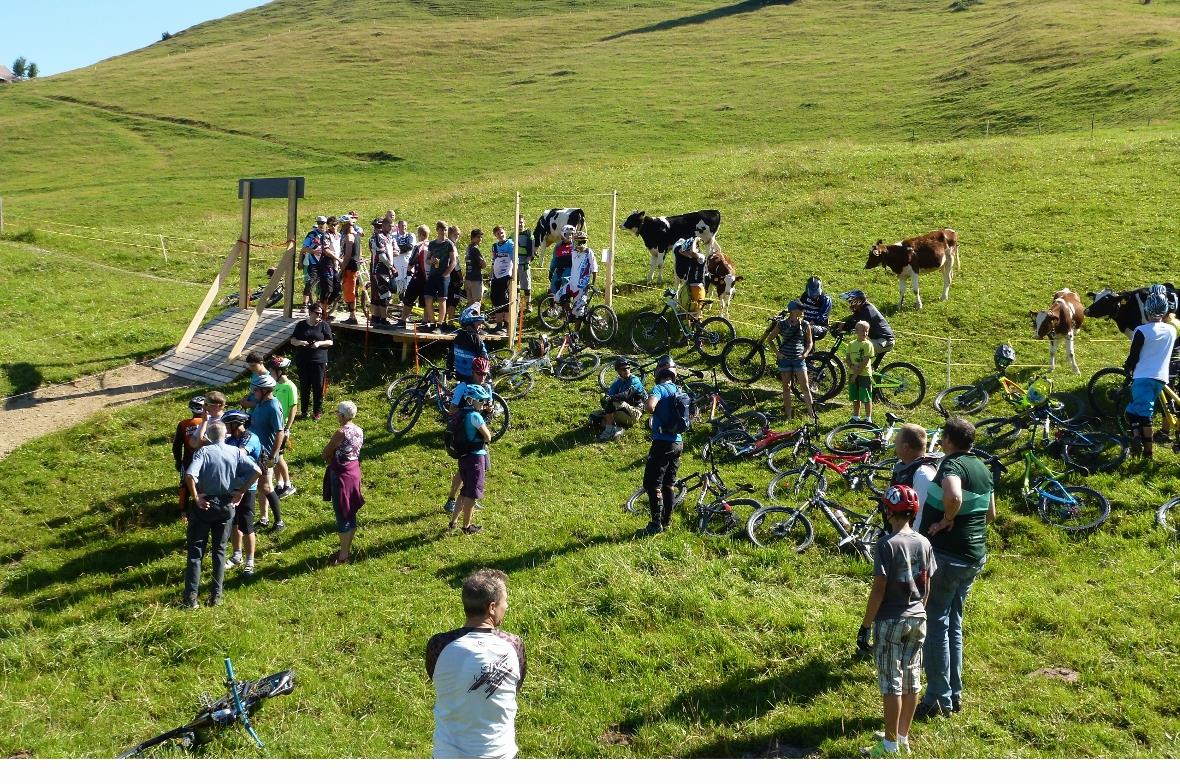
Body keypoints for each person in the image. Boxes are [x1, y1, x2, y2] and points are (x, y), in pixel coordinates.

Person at [914, 416, 996, 719]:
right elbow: (991, 515)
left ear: (948, 439)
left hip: (947, 557)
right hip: (973, 556)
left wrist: (948, 519)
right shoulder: (983, 468)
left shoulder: (952, 465)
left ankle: (937, 699)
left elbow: (953, 495)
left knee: (936, 625)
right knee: (953, 624)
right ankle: (953, 693)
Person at [858, 484, 935, 758]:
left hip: (891, 620)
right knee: (912, 678)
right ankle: (903, 738)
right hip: (918, 618)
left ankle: (889, 746)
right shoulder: (924, 542)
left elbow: (879, 588)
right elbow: (927, 583)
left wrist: (865, 625)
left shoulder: (886, 544)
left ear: (889, 511)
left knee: (891, 681)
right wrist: (919, 610)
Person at [425, 568, 525, 759]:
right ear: (492, 607)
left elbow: (437, 679)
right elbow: (515, 687)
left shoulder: (438, 645)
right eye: (505, 601)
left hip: (447, 756)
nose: (507, 606)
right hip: (500, 757)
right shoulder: (513, 645)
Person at [181, 421, 262, 608]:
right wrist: (241, 491)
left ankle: (191, 599)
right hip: (226, 505)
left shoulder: (203, 452)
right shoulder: (235, 451)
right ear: (225, 435)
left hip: (205, 504)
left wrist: (196, 497)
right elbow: (257, 470)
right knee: (219, 551)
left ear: (208, 436)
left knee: (196, 552)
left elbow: (189, 475)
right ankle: (216, 596)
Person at [1124, 290, 1175, 459]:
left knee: (1141, 414)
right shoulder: (1171, 331)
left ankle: (1147, 452)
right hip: (1161, 379)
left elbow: (1134, 355)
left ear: (1147, 310)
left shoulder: (1141, 330)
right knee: (1136, 411)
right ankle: (1138, 440)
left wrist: (1127, 368)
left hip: (1143, 376)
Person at [640, 355, 686, 536]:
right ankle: (667, 522)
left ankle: (655, 523)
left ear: (658, 373)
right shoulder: (680, 390)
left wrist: (650, 405)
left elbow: (650, 407)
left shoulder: (659, 388)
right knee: (669, 484)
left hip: (662, 442)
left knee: (652, 484)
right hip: (678, 442)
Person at [444, 355, 494, 514]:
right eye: (480, 374)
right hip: (464, 433)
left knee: (479, 467)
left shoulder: (486, 387)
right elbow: (452, 410)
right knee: (464, 469)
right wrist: (470, 412)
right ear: (472, 371)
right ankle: (451, 499)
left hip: (479, 430)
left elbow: (489, 406)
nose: (483, 377)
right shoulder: (463, 387)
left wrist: (488, 410)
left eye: (485, 374)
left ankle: (470, 498)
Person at [322, 400, 365, 565]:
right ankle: (346, 548)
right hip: (354, 472)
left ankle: (343, 556)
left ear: (342, 415)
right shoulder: (359, 430)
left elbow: (326, 452)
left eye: (337, 413)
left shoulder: (341, 432)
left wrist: (329, 456)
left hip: (341, 474)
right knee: (351, 510)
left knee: (341, 513)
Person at [448, 384, 493, 535]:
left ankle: (453, 522)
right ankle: (467, 527)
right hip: (476, 458)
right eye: (480, 401)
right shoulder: (475, 416)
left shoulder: (459, 414)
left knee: (463, 491)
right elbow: (488, 437)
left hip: (463, 457)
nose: (482, 404)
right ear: (471, 400)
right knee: (472, 495)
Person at [223, 410, 261, 577]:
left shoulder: (250, 437)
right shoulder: (231, 439)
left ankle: (250, 561)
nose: (225, 428)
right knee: (233, 523)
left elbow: (241, 454)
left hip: (247, 488)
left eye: (227, 424)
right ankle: (237, 555)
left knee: (247, 526)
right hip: (232, 488)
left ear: (235, 424)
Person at [248, 375, 287, 533]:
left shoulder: (272, 406)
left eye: (256, 389)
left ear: (264, 391)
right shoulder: (260, 403)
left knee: (266, 486)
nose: (253, 392)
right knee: (261, 487)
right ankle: (264, 519)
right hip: (257, 450)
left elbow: (280, 432)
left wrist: (272, 456)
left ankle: (279, 522)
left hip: (266, 453)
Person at [767, 300, 814, 420]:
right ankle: (788, 415)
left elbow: (809, 342)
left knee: (805, 386)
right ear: (793, 310)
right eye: (800, 309)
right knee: (786, 387)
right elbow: (770, 339)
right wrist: (778, 353)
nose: (802, 311)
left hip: (799, 359)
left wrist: (805, 354)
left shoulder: (805, 324)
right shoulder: (782, 324)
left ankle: (811, 414)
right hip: (785, 359)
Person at [290, 303, 333, 421]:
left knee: (318, 387)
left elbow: (330, 342)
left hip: (319, 361)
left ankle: (317, 411)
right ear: (310, 312)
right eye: (317, 313)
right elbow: (292, 340)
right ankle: (304, 411)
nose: (319, 315)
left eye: (321, 313)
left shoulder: (324, 325)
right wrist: (300, 342)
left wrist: (319, 343)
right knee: (304, 386)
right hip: (303, 360)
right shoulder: (301, 325)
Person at [172, 396, 205, 525]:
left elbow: (177, 445)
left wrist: (177, 460)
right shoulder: (210, 422)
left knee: (184, 485)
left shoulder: (183, 424)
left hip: (188, 461)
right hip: (205, 460)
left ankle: (183, 513)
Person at [594, 358, 645, 441]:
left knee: (613, 401)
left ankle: (608, 431)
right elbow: (609, 395)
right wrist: (607, 398)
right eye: (623, 369)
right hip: (622, 410)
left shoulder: (635, 380)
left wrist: (610, 399)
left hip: (635, 412)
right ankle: (618, 429)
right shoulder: (617, 382)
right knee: (594, 417)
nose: (627, 370)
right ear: (618, 371)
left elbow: (626, 394)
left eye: (628, 368)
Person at [270, 355, 299, 498]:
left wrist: (288, 428)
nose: (270, 373)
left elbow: (293, 408)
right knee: (273, 455)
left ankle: (288, 484)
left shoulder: (290, 386)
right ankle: (279, 483)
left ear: (279, 371)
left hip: (282, 427)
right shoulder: (274, 385)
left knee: (278, 456)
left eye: (272, 371)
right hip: (272, 426)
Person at [838, 290, 895, 363]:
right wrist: (839, 323)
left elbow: (855, 323)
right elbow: (852, 319)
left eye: (852, 302)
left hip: (883, 341)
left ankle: (859, 373)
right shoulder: (863, 308)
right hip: (879, 340)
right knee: (861, 354)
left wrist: (843, 328)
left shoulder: (867, 311)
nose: (851, 305)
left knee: (858, 352)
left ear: (858, 301)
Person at [891, 423, 938, 509]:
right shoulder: (903, 466)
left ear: (905, 447)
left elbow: (922, 513)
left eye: (896, 441)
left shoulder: (923, 474)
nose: (894, 443)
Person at [423, 221, 456, 333]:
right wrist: (431, 260)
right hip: (433, 274)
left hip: (443, 275)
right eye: (441, 229)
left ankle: (440, 324)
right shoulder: (432, 244)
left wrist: (446, 273)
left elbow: (453, 261)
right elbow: (427, 259)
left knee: (442, 299)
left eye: (445, 229)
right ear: (437, 230)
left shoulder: (449, 244)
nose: (443, 231)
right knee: (428, 297)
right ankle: (432, 322)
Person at [561, 230, 597, 329]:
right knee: (560, 297)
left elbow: (594, 268)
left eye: (583, 242)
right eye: (578, 242)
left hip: (582, 286)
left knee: (579, 312)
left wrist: (593, 283)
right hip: (572, 283)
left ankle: (576, 333)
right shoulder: (573, 252)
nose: (581, 244)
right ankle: (570, 314)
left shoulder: (589, 252)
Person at [398, 224, 431, 328]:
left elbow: (413, 259)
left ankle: (402, 321)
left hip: (418, 276)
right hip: (428, 278)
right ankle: (425, 322)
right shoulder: (431, 245)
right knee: (425, 301)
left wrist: (408, 269)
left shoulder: (419, 245)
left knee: (408, 298)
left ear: (420, 234)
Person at [845, 320, 875, 423]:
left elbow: (865, 362)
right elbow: (847, 358)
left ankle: (868, 418)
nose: (865, 333)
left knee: (866, 397)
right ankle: (855, 416)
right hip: (853, 373)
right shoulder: (851, 344)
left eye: (867, 331)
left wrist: (855, 374)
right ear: (856, 331)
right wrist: (852, 367)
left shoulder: (868, 345)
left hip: (864, 374)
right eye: (862, 330)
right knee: (855, 396)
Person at [369, 217, 396, 327]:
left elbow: (396, 250)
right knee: (384, 294)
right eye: (389, 226)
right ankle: (383, 319)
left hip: (386, 269)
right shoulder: (378, 237)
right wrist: (391, 267)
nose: (391, 228)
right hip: (380, 269)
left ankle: (376, 318)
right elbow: (382, 256)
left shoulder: (389, 237)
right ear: (384, 226)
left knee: (380, 294)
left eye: (392, 226)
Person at [489, 225, 515, 333]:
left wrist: (513, 276)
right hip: (496, 275)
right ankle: (498, 324)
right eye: (498, 233)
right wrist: (491, 275)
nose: (501, 235)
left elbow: (514, 260)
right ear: (495, 235)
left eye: (502, 232)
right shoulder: (494, 246)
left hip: (506, 274)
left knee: (505, 299)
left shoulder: (510, 244)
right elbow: (493, 261)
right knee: (495, 298)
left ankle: (506, 324)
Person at [339, 213, 364, 325]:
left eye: (342, 225)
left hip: (350, 267)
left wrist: (342, 267)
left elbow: (348, 254)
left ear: (346, 225)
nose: (341, 228)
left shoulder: (349, 236)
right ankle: (352, 315)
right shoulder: (357, 235)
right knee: (353, 290)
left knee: (349, 291)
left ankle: (352, 316)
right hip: (356, 265)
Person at [300, 217, 326, 312]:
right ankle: (304, 304)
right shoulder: (312, 234)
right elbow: (304, 248)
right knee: (310, 282)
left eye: (322, 222)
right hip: (313, 262)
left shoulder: (328, 234)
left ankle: (320, 303)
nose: (320, 224)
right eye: (319, 222)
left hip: (324, 262)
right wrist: (313, 251)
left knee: (324, 284)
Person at [319, 216, 342, 319]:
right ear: (328, 225)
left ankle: (325, 307)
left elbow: (341, 249)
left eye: (335, 225)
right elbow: (326, 250)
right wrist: (337, 258)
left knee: (337, 289)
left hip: (336, 265)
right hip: (326, 264)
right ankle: (323, 312)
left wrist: (340, 259)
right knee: (327, 289)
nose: (333, 227)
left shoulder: (339, 235)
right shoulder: (325, 235)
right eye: (331, 225)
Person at [445, 224, 465, 331]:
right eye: (456, 235)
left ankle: (443, 322)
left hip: (445, 276)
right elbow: (456, 264)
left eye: (458, 235)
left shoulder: (443, 243)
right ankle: (450, 324)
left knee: (445, 300)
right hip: (453, 277)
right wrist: (461, 277)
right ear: (450, 234)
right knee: (452, 302)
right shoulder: (451, 245)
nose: (457, 237)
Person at [800, 276, 832, 340]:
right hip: (806, 324)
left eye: (816, 295)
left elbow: (822, 316)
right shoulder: (805, 296)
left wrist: (808, 325)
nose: (814, 297)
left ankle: (808, 349)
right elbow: (798, 306)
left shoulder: (826, 299)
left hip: (820, 327)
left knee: (807, 330)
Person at [548, 224, 575, 296]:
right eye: (567, 234)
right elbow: (554, 259)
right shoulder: (558, 246)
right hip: (559, 269)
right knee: (553, 285)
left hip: (570, 270)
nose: (569, 236)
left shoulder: (575, 246)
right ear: (563, 234)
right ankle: (553, 305)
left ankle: (566, 302)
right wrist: (551, 271)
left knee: (565, 282)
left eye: (571, 234)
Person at [516, 217, 535, 314]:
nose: (519, 225)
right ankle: (517, 305)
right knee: (516, 285)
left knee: (526, 285)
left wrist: (528, 261)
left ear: (524, 223)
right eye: (518, 222)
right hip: (515, 263)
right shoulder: (513, 235)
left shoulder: (528, 234)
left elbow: (531, 250)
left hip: (524, 262)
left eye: (521, 222)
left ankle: (528, 303)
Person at [465, 228, 486, 308]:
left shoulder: (468, 248)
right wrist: (483, 261)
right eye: (478, 237)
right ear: (473, 237)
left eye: (481, 237)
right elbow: (483, 264)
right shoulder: (475, 249)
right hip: (475, 280)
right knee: (477, 303)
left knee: (470, 303)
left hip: (468, 278)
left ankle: (468, 320)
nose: (480, 239)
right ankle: (476, 320)